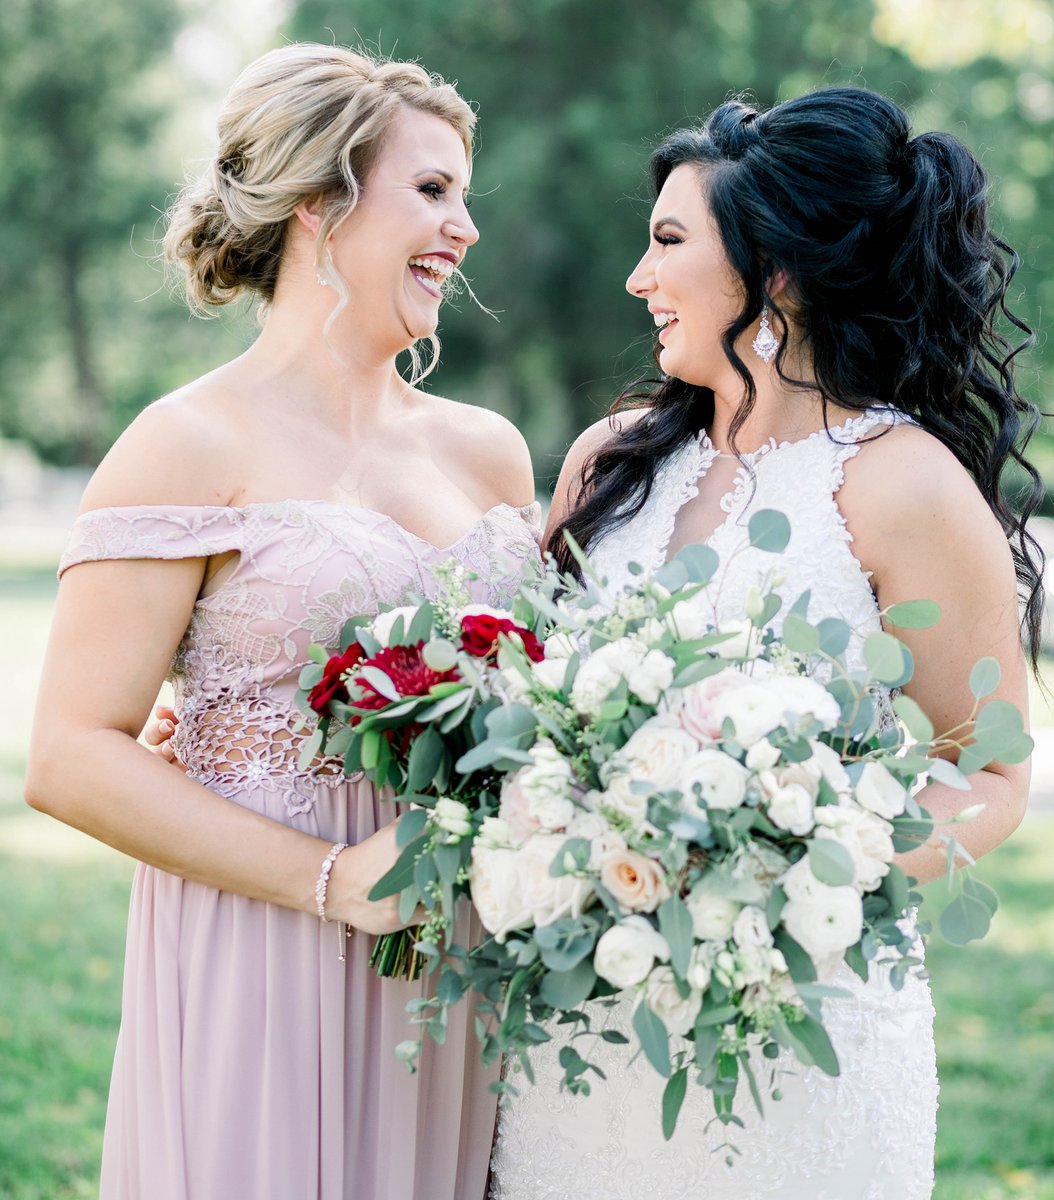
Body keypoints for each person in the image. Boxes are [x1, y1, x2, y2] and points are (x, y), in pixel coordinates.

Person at [488, 88, 1043, 1199]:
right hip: (581, 1024)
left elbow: (990, 768)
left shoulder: (902, 484)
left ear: (775, 270)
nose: (639, 279)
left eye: (667, 242)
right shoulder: (609, 466)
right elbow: (515, 699)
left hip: (795, 1025)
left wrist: (782, 875)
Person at [25, 44, 539, 1200]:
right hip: (266, 943)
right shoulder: (188, 440)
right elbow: (67, 757)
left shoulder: (489, 448)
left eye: (463, 195)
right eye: (432, 190)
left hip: (459, 962)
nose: (463, 229)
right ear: (318, 201)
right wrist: (333, 878)